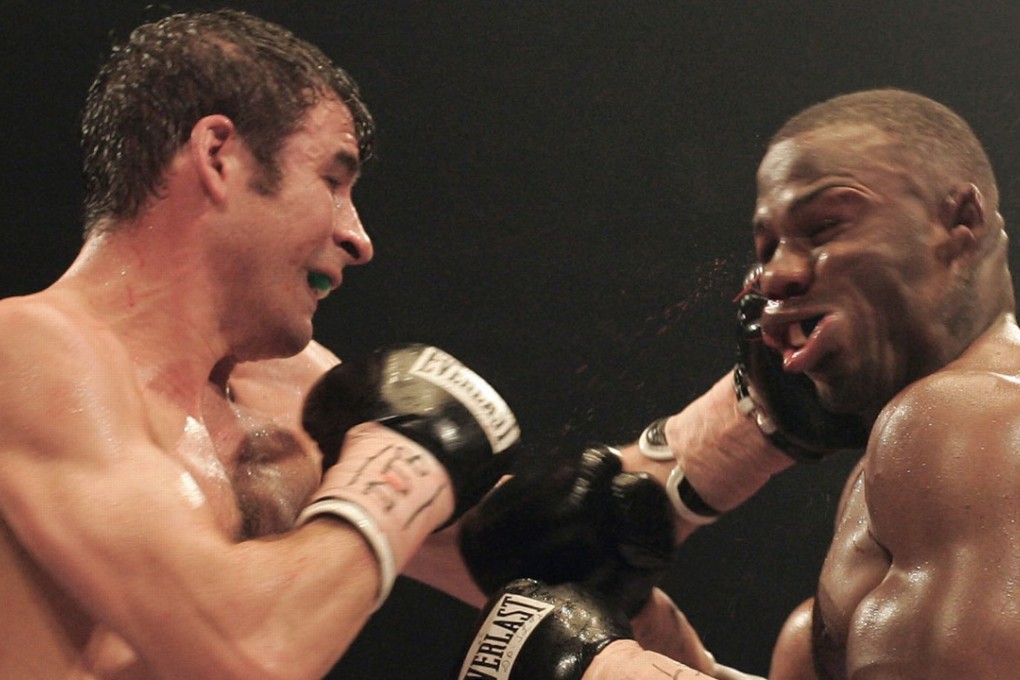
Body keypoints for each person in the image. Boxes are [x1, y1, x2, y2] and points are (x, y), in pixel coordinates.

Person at [0, 10, 534, 678]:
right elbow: (246, 650)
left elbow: (535, 546)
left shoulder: (294, 393)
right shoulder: (26, 352)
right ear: (219, 155)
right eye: (333, 182)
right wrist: (397, 477)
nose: (359, 238)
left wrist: (695, 457)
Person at [457, 88, 1020, 680]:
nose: (775, 273)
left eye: (825, 226)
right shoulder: (914, 462)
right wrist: (651, 639)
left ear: (961, 222)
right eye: (767, 246)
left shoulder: (964, 419)